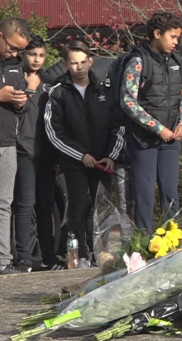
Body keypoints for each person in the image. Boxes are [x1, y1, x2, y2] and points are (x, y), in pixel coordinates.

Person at [44, 41, 125, 266]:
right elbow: (54, 133)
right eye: (73, 63)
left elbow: (118, 126)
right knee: (78, 208)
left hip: (103, 162)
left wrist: (111, 156)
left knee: (101, 209)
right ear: (65, 64)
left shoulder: (106, 90)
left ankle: (104, 255)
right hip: (75, 163)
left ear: (91, 61)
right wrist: (81, 156)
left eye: (83, 62)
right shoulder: (57, 93)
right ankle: (80, 257)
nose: (79, 67)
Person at [120, 12, 182, 232]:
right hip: (143, 140)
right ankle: (144, 242)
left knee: (170, 192)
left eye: (178, 37)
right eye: (173, 36)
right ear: (157, 34)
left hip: (171, 140)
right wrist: (159, 129)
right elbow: (128, 102)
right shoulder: (138, 61)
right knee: (145, 193)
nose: (176, 42)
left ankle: (173, 241)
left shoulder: (179, 62)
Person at [13, 35, 57, 271]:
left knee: (46, 205)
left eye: (41, 55)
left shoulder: (50, 83)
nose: (37, 59)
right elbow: (15, 116)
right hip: (23, 151)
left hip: (47, 153)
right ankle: (24, 259)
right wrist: (27, 90)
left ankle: (49, 257)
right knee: (25, 204)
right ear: (23, 54)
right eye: (32, 54)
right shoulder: (15, 79)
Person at [0, 17, 30, 275]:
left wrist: (20, 102)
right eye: (11, 47)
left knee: (4, 202)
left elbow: (20, 100)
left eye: (19, 50)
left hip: (7, 140)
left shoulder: (15, 66)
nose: (15, 53)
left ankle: (2, 261)